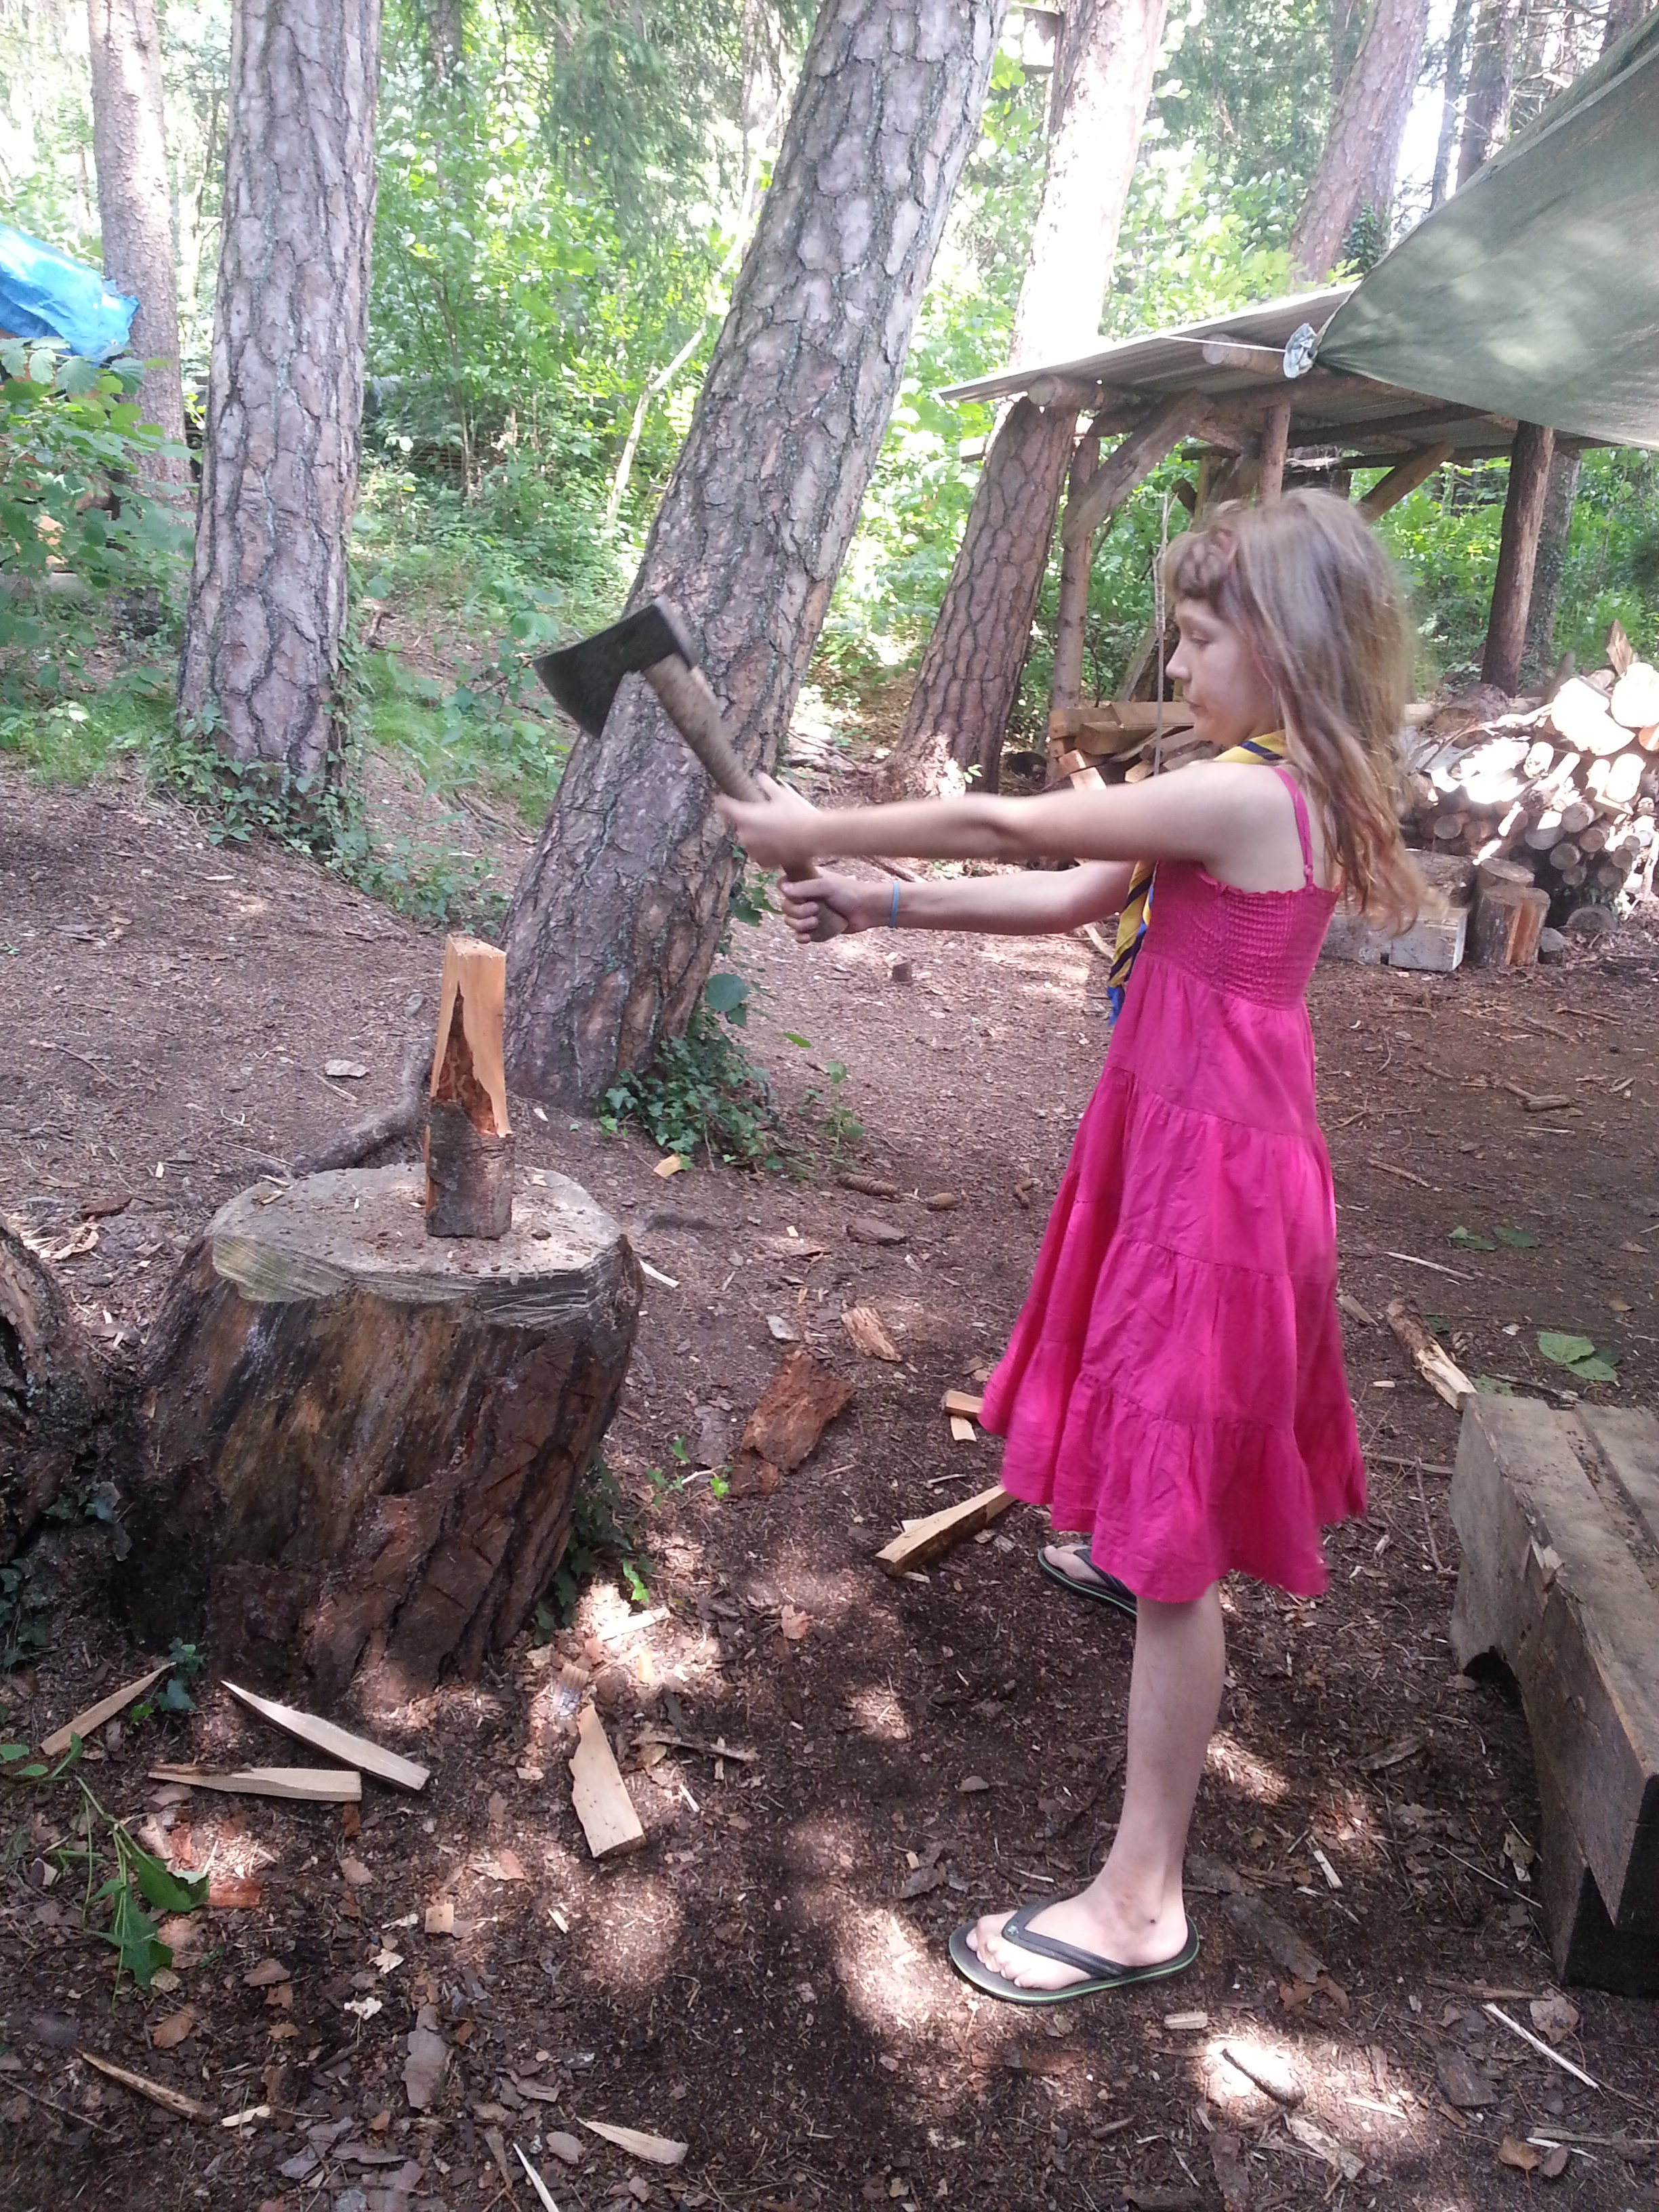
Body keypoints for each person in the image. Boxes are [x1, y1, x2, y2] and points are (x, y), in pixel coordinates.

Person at [717, 491, 1420, 2004]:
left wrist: (813, 823)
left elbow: (1009, 822)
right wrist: (879, 898)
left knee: (1181, 1560)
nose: (1178, 662)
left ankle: (1139, 1903)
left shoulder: (1256, 799)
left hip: (1216, 1191)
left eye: (1203, 635)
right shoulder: (1243, 777)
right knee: (1151, 1433)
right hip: (1187, 1153)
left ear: (1288, 646)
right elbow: (1070, 895)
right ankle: (1139, 1547)